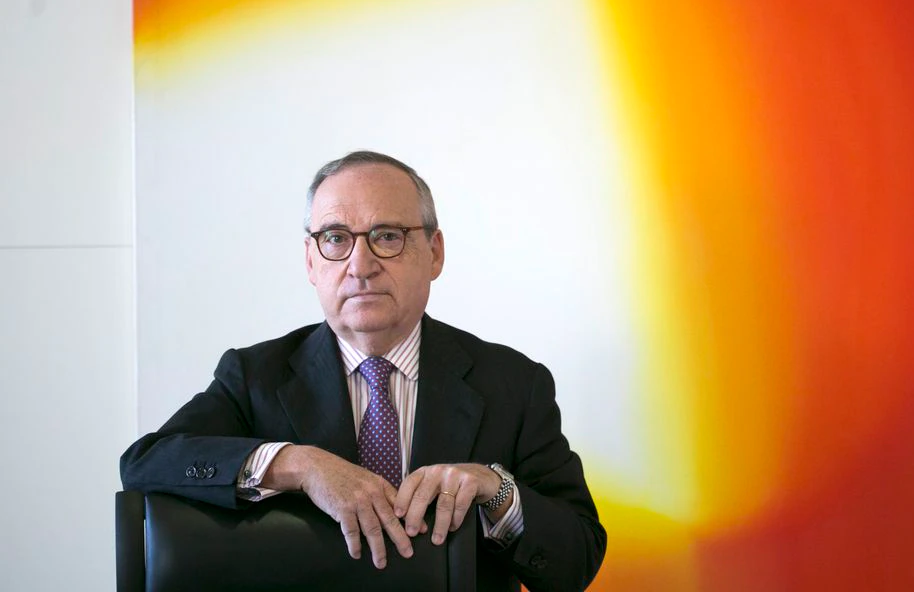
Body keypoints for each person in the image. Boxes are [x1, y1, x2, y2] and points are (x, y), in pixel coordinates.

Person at [120, 151, 606, 592]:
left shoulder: (514, 384)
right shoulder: (255, 377)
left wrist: (496, 492)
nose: (360, 265)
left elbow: (576, 563)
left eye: (387, 236)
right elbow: (144, 464)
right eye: (335, 239)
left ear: (434, 252)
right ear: (311, 261)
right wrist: (300, 466)